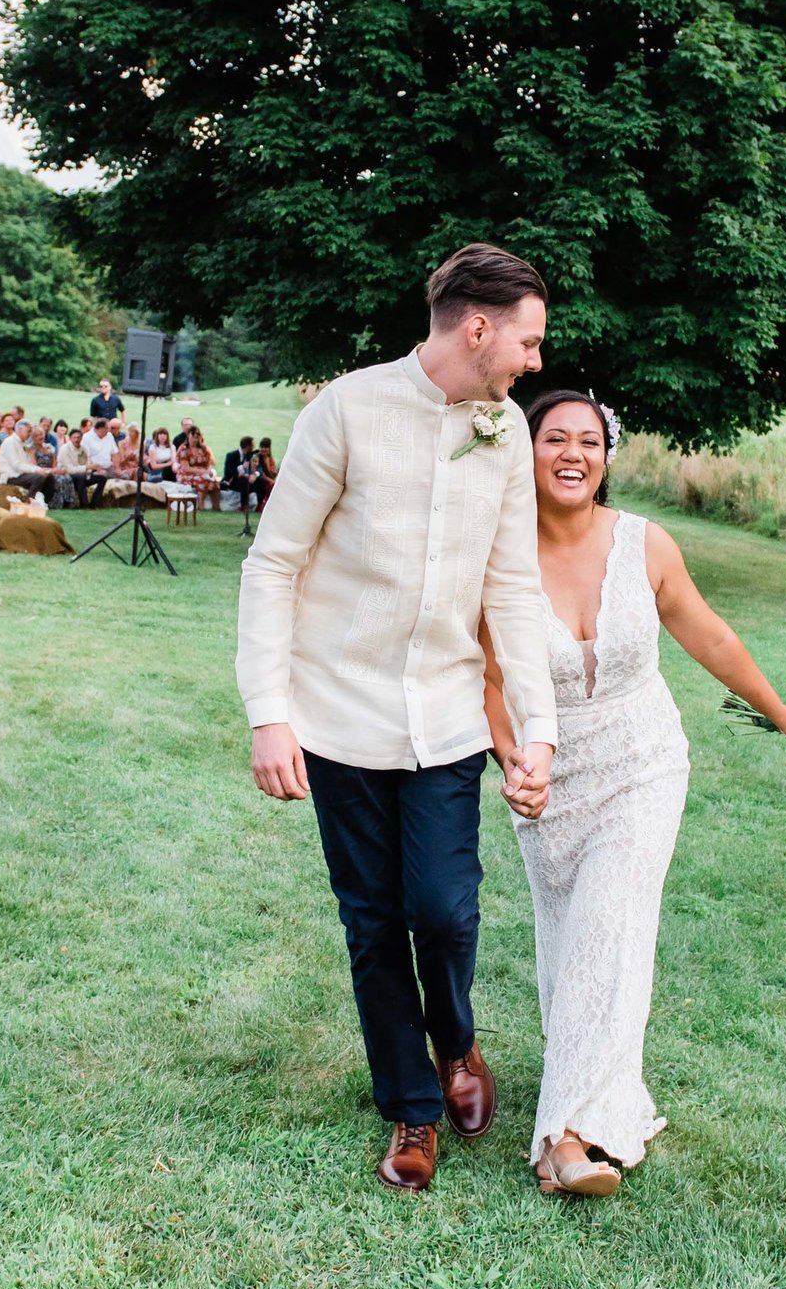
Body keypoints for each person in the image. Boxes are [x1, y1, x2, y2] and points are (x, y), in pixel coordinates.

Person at [238, 243, 557, 1194]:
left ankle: (457, 1041)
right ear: (478, 327)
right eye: (529, 341)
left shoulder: (504, 434)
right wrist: (270, 712)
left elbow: (512, 587)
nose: (535, 362)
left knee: (443, 910)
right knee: (375, 922)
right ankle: (413, 1104)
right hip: (339, 718)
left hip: (450, 719)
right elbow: (273, 563)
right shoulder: (345, 409)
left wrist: (535, 731)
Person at [481, 392, 786, 1199]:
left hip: (644, 762)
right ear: (525, 450)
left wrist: (781, 713)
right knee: (574, 945)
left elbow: (707, 632)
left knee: (611, 919)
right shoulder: (494, 556)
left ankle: (563, 1138)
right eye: (554, 438)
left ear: (607, 455)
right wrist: (513, 761)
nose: (574, 452)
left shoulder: (646, 544)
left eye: (589, 440)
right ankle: (611, 1097)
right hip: (550, 774)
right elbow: (489, 678)